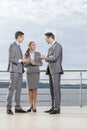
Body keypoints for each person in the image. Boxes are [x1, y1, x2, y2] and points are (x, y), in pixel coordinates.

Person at [39, 32, 63, 114]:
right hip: (50, 70)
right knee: (52, 90)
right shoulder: (50, 48)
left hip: (56, 70)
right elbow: (49, 58)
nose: (46, 41)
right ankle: (53, 107)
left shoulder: (58, 46)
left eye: (46, 39)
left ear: (50, 37)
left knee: (56, 90)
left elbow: (55, 58)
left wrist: (46, 57)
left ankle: (57, 108)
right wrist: (45, 58)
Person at [6, 31, 27, 115]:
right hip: (14, 71)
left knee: (18, 90)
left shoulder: (19, 46)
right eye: (22, 37)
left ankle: (17, 107)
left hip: (20, 71)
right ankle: (8, 108)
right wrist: (21, 60)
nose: (23, 39)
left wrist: (24, 60)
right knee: (11, 89)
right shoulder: (12, 45)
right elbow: (11, 59)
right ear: (19, 37)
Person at [24, 41, 42, 112]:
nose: (34, 46)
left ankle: (34, 106)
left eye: (35, 45)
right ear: (29, 46)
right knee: (29, 90)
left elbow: (41, 64)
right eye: (32, 45)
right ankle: (30, 105)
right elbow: (24, 65)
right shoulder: (26, 54)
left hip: (36, 73)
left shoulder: (38, 54)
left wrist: (34, 63)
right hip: (29, 73)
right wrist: (29, 62)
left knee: (35, 89)